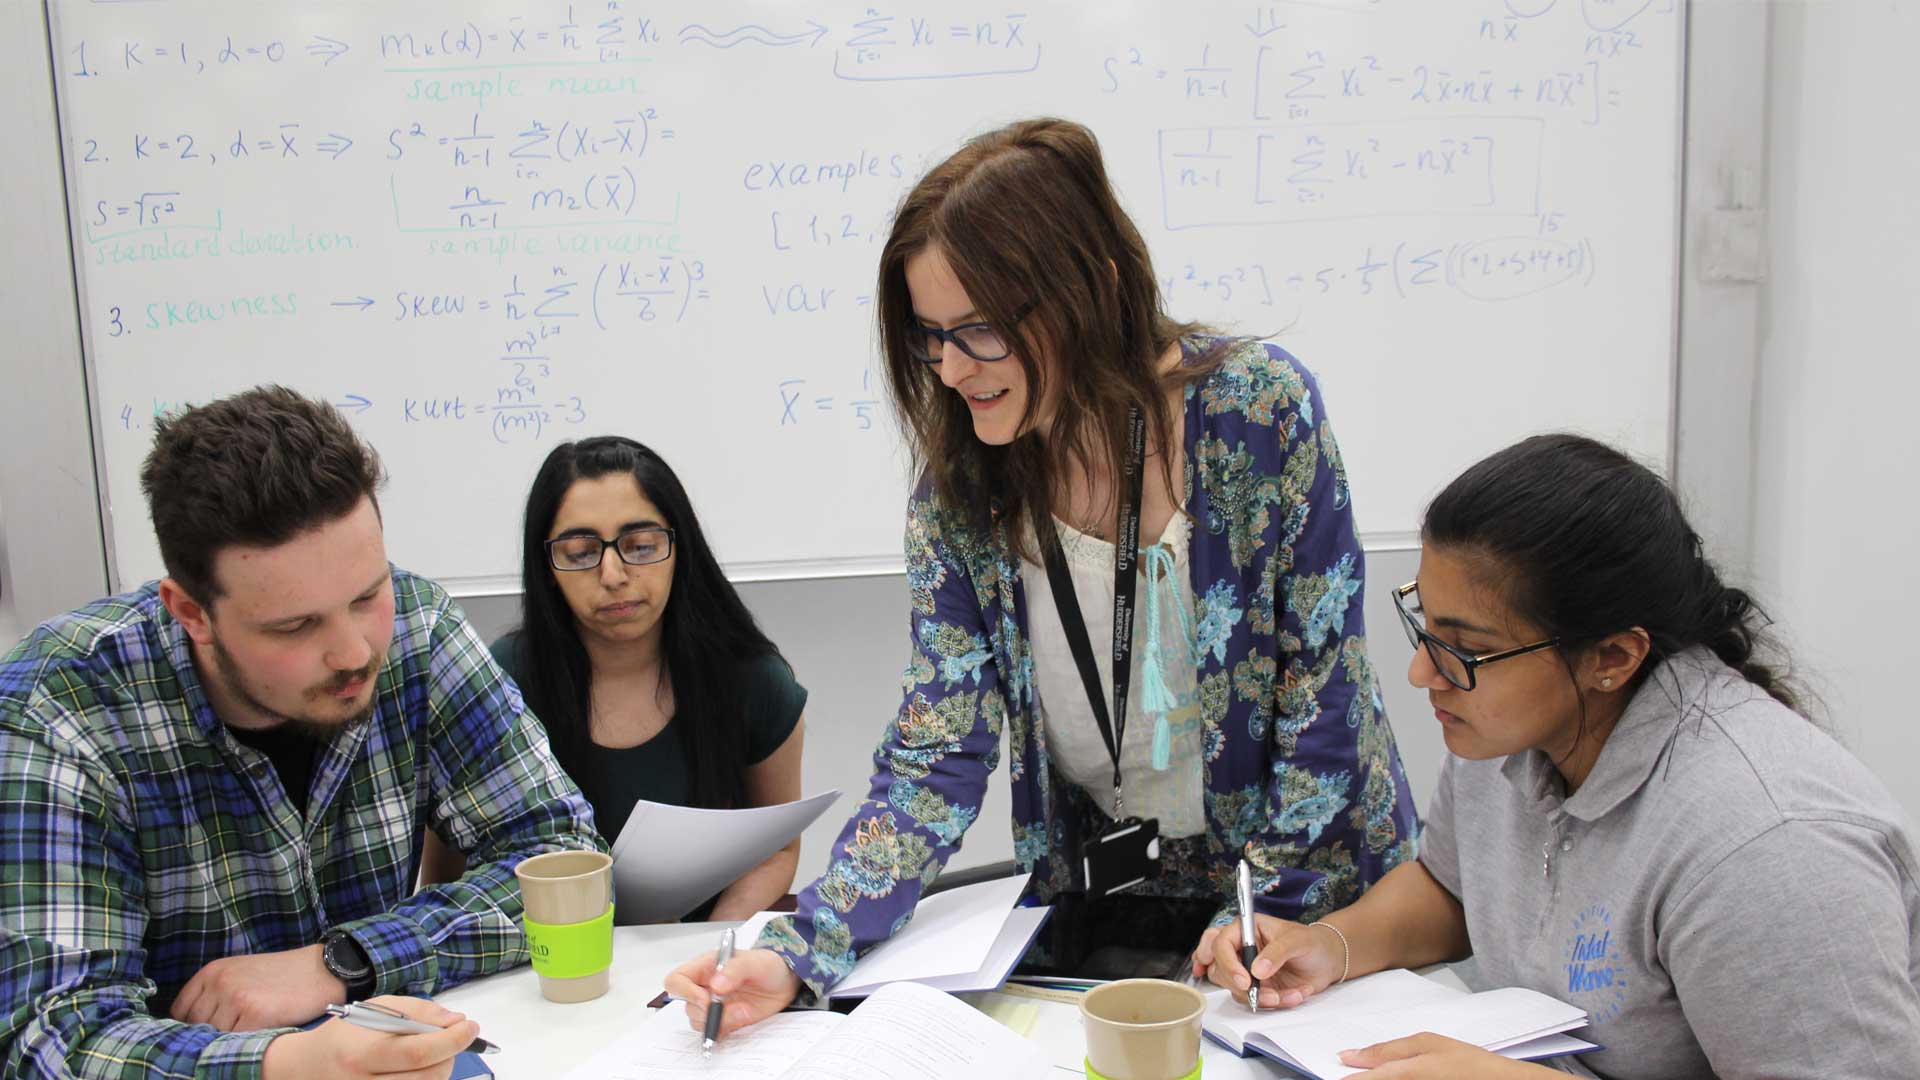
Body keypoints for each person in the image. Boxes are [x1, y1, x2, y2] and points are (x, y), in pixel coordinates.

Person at [668, 116, 1418, 1027]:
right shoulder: (961, 493)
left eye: (977, 332)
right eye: (928, 337)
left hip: (1306, 919)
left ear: (1088, 290)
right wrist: (802, 949)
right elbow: (935, 758)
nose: (948, 369)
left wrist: (1254, 927)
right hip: (1115, 908)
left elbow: (1324, 711)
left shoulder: (1258, 414)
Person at [1196, 434, 1920, 1079]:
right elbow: (1453, 888)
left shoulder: (1771, 847)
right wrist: (1332, 945)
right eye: (1426, 627)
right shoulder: (1506, 732)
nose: (1422, 674)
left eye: (1467, 649)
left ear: (1612, 656)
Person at [0, 386, 602, 1079]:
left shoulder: (416, 629)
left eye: (366, 595)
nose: (352, 652)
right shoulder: (56, 712)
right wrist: (288, 1063)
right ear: (191, 612)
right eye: (295, 626)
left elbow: (563, 857)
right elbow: (51, 1039)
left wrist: (344, 962)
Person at [420, 436, 807, 921]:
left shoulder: (751, 680)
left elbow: (775, 853)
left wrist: (707, 951)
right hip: (538, 964)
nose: (613, 574)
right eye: (581, 553)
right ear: (548, 568)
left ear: (678, 547)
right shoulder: (498, 682)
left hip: (692, 970)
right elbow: (445, 881)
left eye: (640, 546)